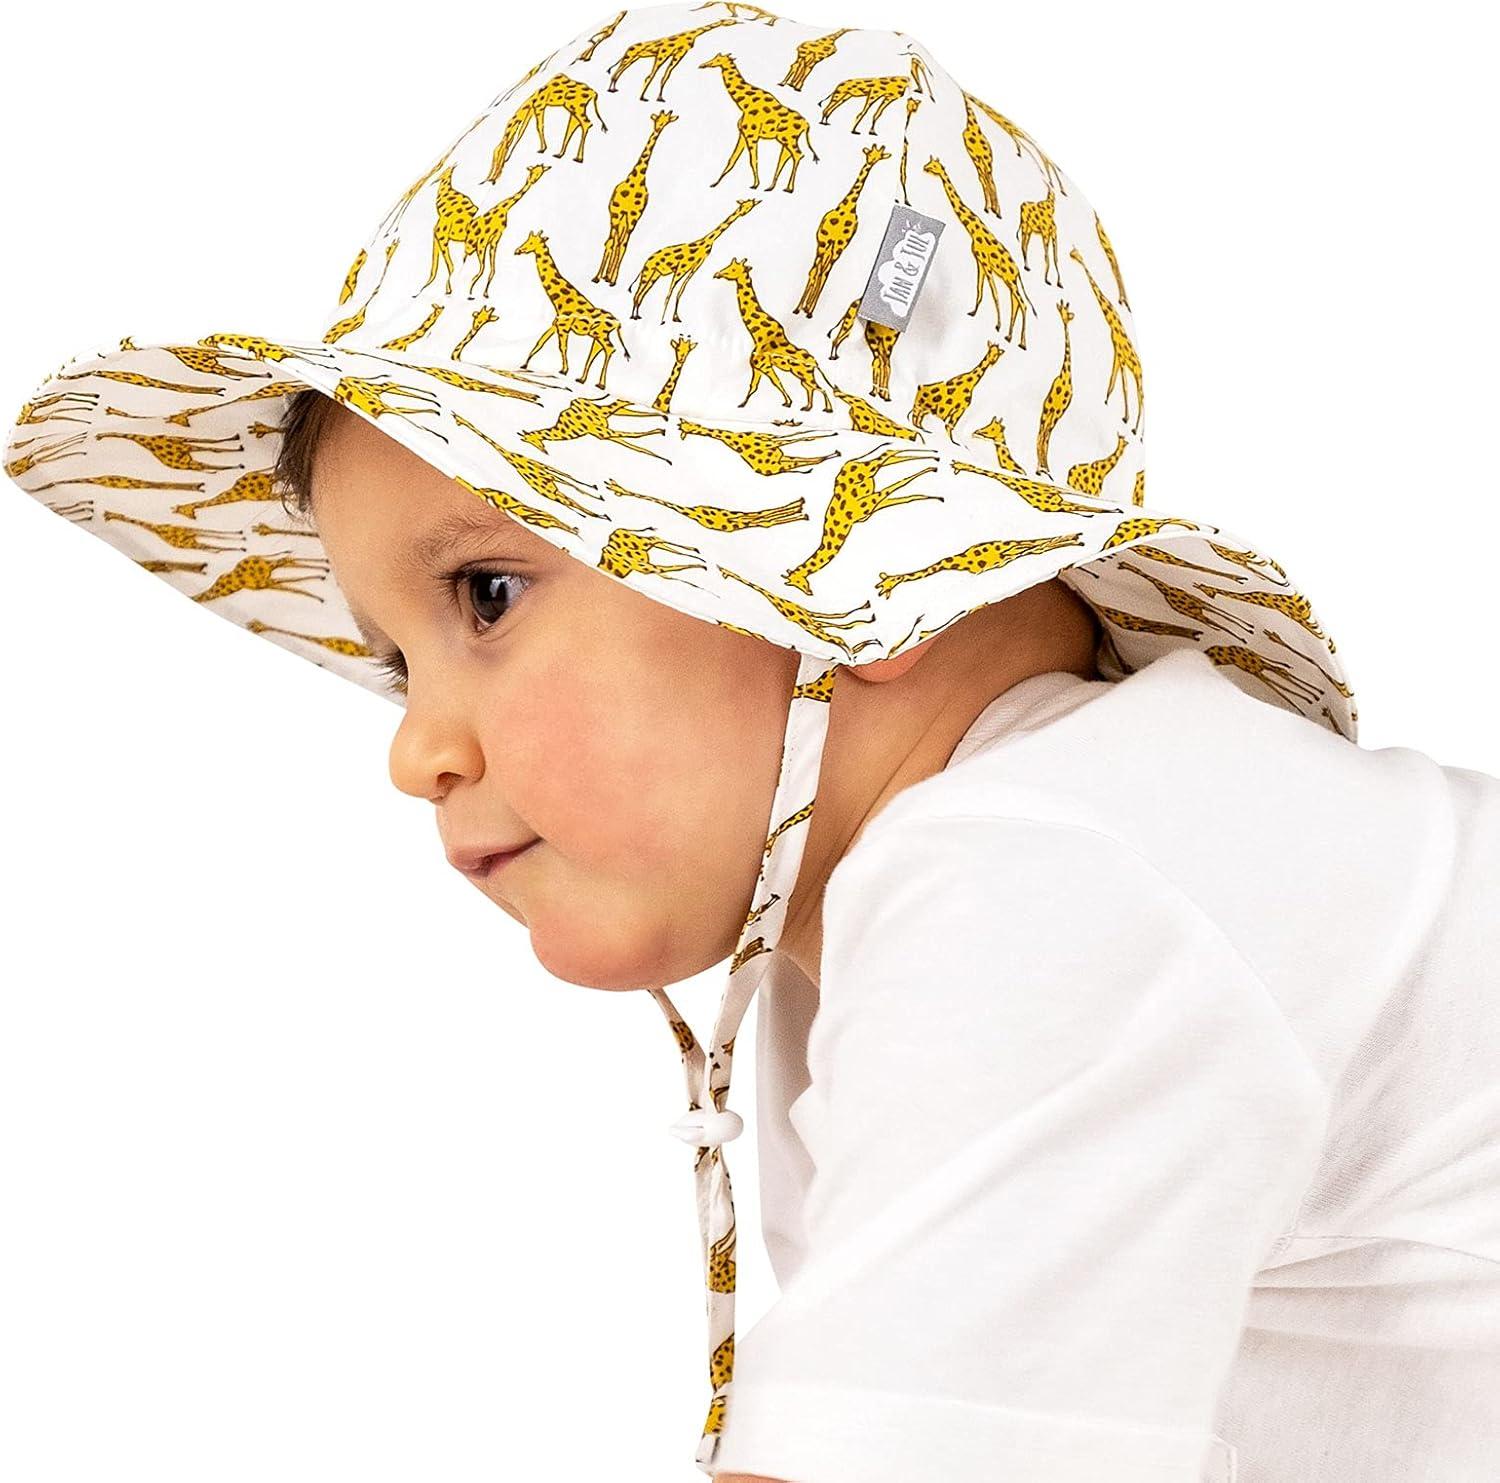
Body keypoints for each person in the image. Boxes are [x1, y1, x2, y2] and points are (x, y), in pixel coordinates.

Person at [6, 5, 1496, 1479]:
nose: (416, 754)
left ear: (871, 581)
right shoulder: (893, 927)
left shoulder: (1056, 873)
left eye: (488, 596)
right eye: (400, 663)